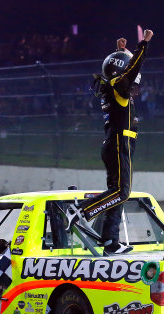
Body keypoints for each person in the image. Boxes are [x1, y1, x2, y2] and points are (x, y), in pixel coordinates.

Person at [66, 29, 154, 256]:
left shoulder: (113, 85)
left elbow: (121, 68)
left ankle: (110, 242)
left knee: (116, 193)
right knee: (122, 192)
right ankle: (81, 212)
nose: (134, 82)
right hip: (119, 143)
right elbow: (131, 70)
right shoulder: (118, 87)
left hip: (116, 144)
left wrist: (120, 53)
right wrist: (142, 46)